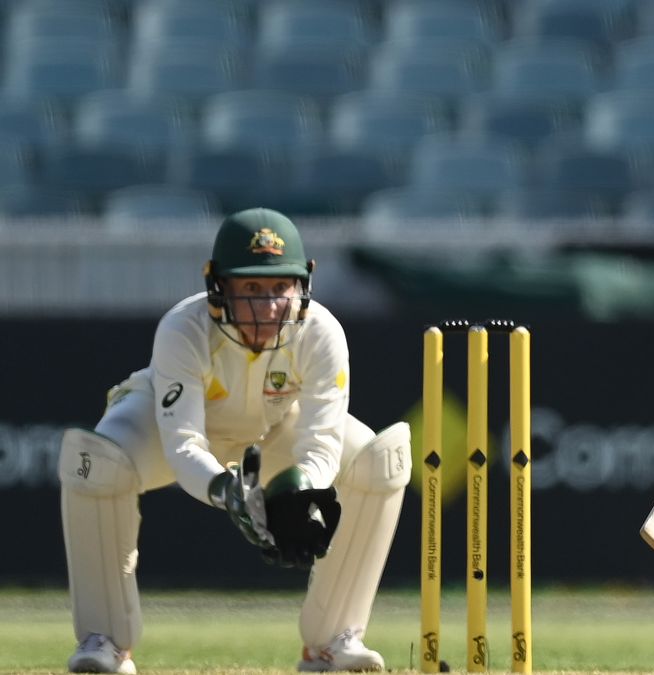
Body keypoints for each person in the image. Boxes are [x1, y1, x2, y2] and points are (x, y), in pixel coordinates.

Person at [59, 208, 411, 674]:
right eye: (250, 290)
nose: (266, 309)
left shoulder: (321, 332)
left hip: (271, 432)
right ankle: (105, 641)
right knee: (95, 462)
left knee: (377, 460)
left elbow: (323, 435)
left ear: (302, 286)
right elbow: (183, 442)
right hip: (172, 428)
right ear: (218, 288)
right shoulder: (184, 328)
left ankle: (331, 642)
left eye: (279, 289)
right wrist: (225, 491)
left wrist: (302, 487)